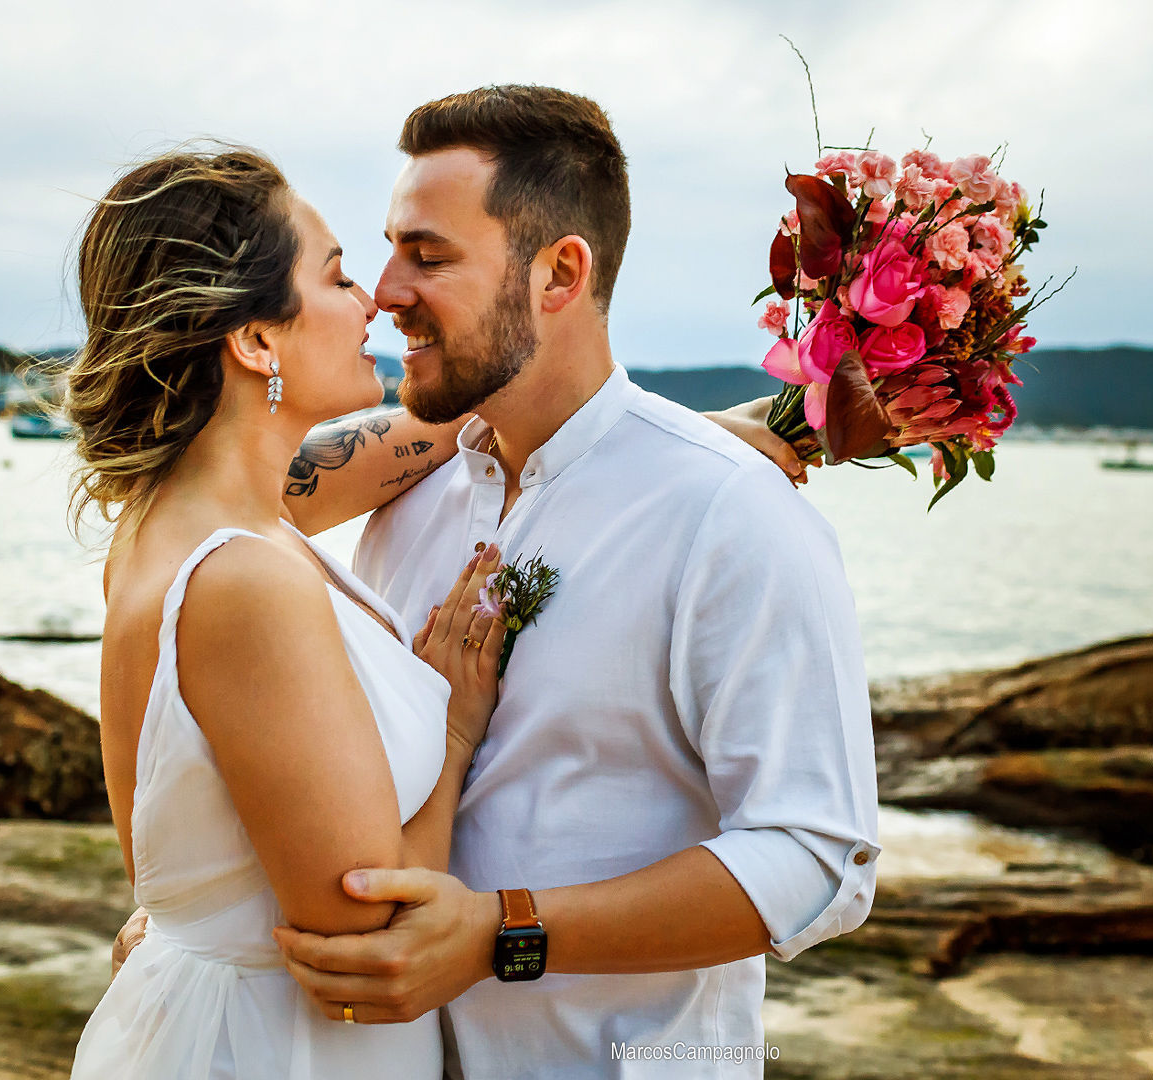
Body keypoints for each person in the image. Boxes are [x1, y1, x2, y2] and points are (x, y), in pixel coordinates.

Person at [67, 145, 795, 1079]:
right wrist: (451, 731)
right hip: (291, 1048)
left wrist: (679, 438)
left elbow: (495, 418)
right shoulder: (247, 576)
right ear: (255, 341)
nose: (372, 296)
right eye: (334, 276)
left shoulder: (170, 519)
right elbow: (369, 942)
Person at [265, 86, 881, 1078]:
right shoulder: (401, 497)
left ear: (560, 273)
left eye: (426, 256)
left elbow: (817, 862)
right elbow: (223, 493)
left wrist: (499, 935)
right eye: (387, 251)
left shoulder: (729, 512)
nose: (383, 291)